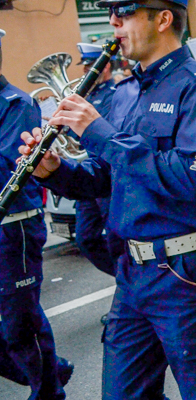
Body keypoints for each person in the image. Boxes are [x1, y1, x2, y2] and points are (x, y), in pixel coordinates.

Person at [22, 0, 196, 400]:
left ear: (162, 18)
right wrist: (55, 172)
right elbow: (104, 181)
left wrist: (98, 132)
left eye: (123, 12)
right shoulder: (124, 93)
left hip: (189, 268)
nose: (113, 24)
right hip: (134, 271)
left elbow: (188, 178)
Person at [0, 29, 75, 400]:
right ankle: (52, 370)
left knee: (21, 327)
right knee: (15, 330)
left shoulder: (16, 104)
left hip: (14, 225)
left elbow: (10, 164)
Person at [71, 42, 122, 279]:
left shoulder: (116, 95)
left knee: (117, 240)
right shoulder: (88, 97)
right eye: (86, 67)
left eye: (92, 66)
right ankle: (126, 280)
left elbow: (106, 133)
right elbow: (79, 135)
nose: (87, 71)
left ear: (106, 66)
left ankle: (129, 292)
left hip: (108, 176)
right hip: (89, 174)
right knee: (85, 239)